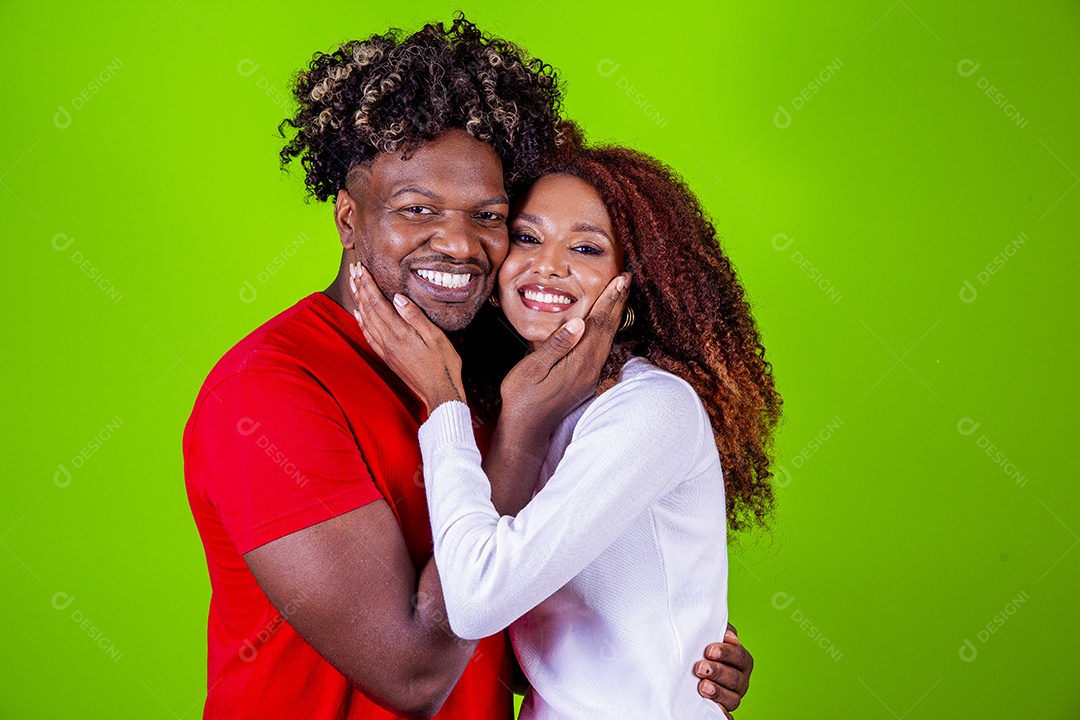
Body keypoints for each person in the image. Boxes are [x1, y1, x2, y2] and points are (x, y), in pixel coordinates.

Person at [183, 16, 753, 720]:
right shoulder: (269, 393)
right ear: (348, 219)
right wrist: (519, 431)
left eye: (488, 216)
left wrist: (670, 650)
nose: (457, 243)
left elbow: (518, 629)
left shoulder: (489, 367)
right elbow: (415, 674)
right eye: (417, 209)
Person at [349, 126, 781, 719]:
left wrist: (442, 397)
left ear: (633, 280)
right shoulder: (530, 403)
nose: (547, 267)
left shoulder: (650, 409)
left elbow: (475, 601)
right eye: (527, 237)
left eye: (586, 249)